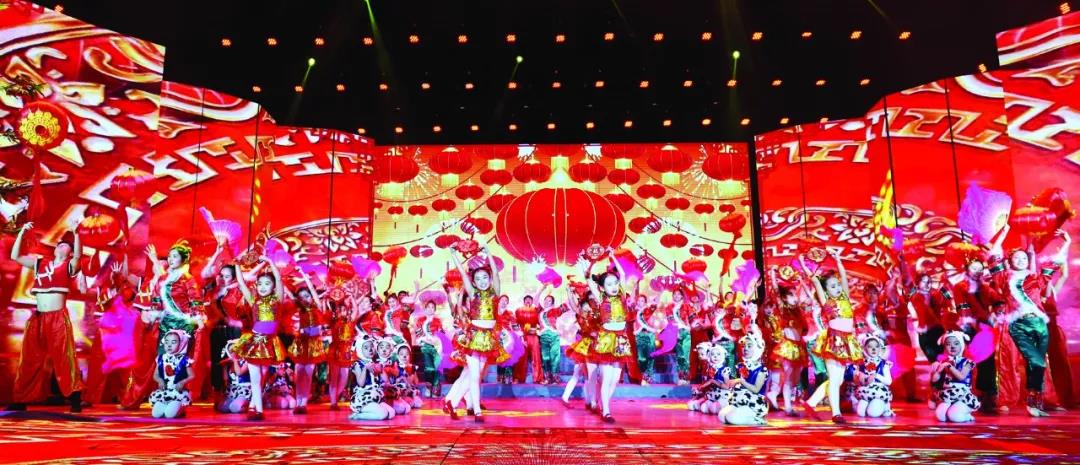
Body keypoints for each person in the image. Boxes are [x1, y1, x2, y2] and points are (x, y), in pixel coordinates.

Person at [6, 221, 85, 412]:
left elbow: (79, 256)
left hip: (57, 318)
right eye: (60, 244)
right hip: (38, 318)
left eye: (66, 245)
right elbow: (15, 256)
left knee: (64, 357)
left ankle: (74, 395)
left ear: (69, 252)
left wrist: (76, 233)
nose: (61, 246)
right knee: (30, 358)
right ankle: (22, 398)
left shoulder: (69, 265)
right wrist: (22, 232)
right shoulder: (40, 263)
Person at [443, 245, 509, 422]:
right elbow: (463, 274)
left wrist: (489, 254)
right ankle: (477, 411)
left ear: (489, 278)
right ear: (473, 282)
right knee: (473, 375)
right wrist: (454, 255)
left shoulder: (495, 293)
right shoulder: (473, 294)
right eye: (478, 279)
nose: (482, 281)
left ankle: (451, 402)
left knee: (477, 375)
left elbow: (496, 274)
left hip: (488, 338)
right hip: (474, 337)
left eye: (485, 277)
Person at [801, 250, 862, 424]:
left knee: (838, 379)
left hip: (847, 341)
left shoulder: (846, 298)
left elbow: (843, 276)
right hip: (835, 341)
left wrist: (838, 260)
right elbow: (815, 280)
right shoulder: (826, 302)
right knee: (835, 380)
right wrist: (803, 264)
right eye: (832, 286)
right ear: (826, 291)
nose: (838, 288)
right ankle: (836, 413)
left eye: (838, 285)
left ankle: (811, 402)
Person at [581, 249, 636, 423]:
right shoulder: (600, 298)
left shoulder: (622, 296)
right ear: (603, 288)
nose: (613, 286)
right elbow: (588, 278)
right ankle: (606, 411)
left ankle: (603, 403)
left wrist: (613, 257)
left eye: (615, 283)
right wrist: (592, 262)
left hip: (621, 339)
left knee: (615, 379)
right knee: (606, 377)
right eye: (609, 284)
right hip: (606, 339)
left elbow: (622, 274)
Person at [233, 256, 286, 421]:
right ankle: (258, 411)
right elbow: (241, 283)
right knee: (255, 378)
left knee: (263, 375)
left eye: (267, 283)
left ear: (273, 286)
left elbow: (279, 278)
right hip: (255, 342)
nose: (263, 287)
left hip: (270, 342)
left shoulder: (278, 299)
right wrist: (237, 265)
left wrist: (270, 261)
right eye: (260, 284)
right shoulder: (253, 299)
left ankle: (253, 405)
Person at [287, 270, 326, 414]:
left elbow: (313, 292)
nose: (305, 299)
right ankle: (298, 401)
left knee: (308, 375)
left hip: (313, 344)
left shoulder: (317, 307)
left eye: (307, 296)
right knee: (299, 375)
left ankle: (303, 403)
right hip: (300, 343)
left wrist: (305, 277)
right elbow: (289, 294)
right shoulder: (299, 308)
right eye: (301, 297)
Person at [719, 333, 770, 426]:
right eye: (744, 346)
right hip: (740, 399)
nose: (745, 349)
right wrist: (726, 378)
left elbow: (756, 389)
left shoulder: (761, 369)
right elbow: (731, 384)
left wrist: (740, 381)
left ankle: (758, 420)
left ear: (757, 348)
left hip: (754, 402)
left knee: (731, 418)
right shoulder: (741, 366)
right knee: (722, 416)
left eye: (749, 346)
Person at [931, 331, 980, 422]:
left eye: (956, 343)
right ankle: (952, 410)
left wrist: (949, 366)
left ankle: (967, 416)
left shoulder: (968, 362)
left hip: (963, 395)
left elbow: (961, 377)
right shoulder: (944, 362)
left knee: (954, 416)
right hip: (949, 393)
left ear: (961, 345)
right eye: (948, 344)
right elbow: (934, 380)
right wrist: (937, 370)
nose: (952, 346)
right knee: (940, 416)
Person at [149, 329, 194, 419]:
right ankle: (168, 406)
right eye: (167, 342)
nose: (169, 345)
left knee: (169, 415)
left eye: (173, 342)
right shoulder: (161, 358)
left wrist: (182, 382)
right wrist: (159, 380)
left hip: (177, 393)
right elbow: (155, 375)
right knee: (156, 415)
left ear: (181, 343)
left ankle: (181, 408)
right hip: (164, 392)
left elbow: (192, 375)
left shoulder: (184, 359)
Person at [852, 335, 893, 418]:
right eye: (870, 347)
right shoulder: (861, 363)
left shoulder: (884, 363)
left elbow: (889, 381)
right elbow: (856, 381)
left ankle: (885, 407)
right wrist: (859, 377)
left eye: (876, 346)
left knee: (872, 413)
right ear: (865, 348)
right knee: (860, 413)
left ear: (880, 348)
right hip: (865, 391)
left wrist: (876, 376)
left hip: (878, 392)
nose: (874, 349)